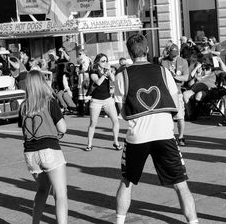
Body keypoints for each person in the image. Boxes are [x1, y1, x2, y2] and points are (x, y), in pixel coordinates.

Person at [114, 34, 198, 224]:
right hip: (163, 133)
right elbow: (175, 104)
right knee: (181, 185)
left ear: (129, 52)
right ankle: (193, 222)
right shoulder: (163, 71)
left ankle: (119, 221)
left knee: (127, 182)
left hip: (138, 135)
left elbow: (123, 113)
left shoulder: (122, 75)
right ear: (147, 50)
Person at [19, 70, 68, 224]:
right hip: (49, 149)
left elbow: (24, 128)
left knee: (41, 191)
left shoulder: (23, 106)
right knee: (60, 194)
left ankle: (35, 222)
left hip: (30, 154)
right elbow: (62, 128)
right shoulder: (49, 101)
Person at [85, 53, 121, 151]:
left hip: (108, 99)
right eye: (103, 61)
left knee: (115, 121)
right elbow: (98, 82)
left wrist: (110, 72)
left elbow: (114, 81)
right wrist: (105, 74)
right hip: (96, 100)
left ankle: (116, 142)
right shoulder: (93, 71)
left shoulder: (107, 70)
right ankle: (89, 144)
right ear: (97, 62)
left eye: (106, 61)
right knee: (93, 123)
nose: (105, 63)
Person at [161, 44, 189, 146]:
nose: (174, 56)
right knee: (168, 117)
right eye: (172, 54)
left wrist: (175, 76)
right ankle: (170, 137)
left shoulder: (183, 61)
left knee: (180, 116)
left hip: (178, 92)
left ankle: (181, 137)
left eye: (176, 54)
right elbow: (162, 76)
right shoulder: (163, 61)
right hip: (166, 92)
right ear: (169, 53)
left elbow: (186, 77)